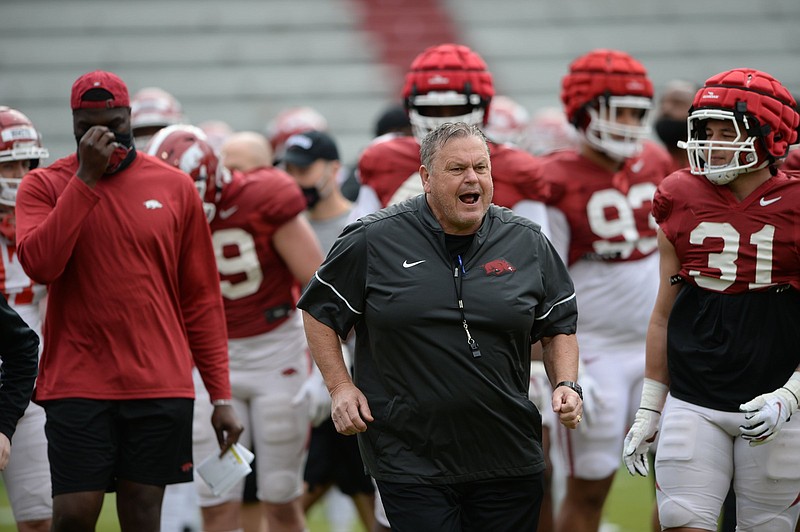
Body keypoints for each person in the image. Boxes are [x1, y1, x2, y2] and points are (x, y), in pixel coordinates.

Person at [298, 121, 583, 531]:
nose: (473, 179)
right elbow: (319, 310)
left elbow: (558, 325)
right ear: (426, 179)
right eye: (457, 169)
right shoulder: (373, 239)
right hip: (410, 455)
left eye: (481, 168)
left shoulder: (527, 241)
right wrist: (341, 386)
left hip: (507, 453)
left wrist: (566, 384)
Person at [14, 70, 243, 532]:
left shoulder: (175, 186)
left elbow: (200, 299)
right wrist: (85, 179)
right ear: (74, 123)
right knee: (74, 516)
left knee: (142, 516)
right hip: (76, 383)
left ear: (130, 117)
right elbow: (41, 265)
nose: (102, 136)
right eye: (88, 126)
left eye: (114, 123)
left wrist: (220, 395)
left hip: (158, 383)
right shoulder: (43, 185)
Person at [623, 68, 800, 532]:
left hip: (776, 396)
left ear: (770, 136)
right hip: (693, 396)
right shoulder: (680, 195)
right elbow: (664, 313)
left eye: (729, 131)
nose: (714, 143)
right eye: (706, 131)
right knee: (681, 522)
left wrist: (791, 394)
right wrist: (649, 406)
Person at [146, 124, 324, 532]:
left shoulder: (263, 194)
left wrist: (329, 365)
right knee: (215, 499)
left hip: (275, 350)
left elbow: (318, 282)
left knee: (281, 494)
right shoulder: (158, 208)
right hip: (208, 358)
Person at [540, 49, 672, 532]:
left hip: (659, 346)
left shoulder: (655, 160)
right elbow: (541, 285)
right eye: (620, 110)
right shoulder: (554, 178)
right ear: (585, 110)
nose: (631, 123)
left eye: (639, 112)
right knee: (590, 487)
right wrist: (553, 364)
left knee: (681, 481)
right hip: (593, 353)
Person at [282, 129, 376, 531]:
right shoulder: (286, 226)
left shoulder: (363, 224)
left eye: (303, 169)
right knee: (290, 492)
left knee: (373, 491)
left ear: (334, 169)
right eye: (288, 168)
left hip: (354, 376)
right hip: (297, 374)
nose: (294, 178)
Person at [354, 42, 550, 236]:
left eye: (457, 108)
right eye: (432, 109)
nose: (445, 120)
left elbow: (537, 251)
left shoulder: (516, 168)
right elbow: (357, 246)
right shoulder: (384, 158)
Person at [0, 106, 51, 531]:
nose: (19, 174)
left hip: (30, 384)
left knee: (40, 518)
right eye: (8, 164)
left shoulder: (44, 221)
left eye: (26, 163)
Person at [653, 79, 697, 173]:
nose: (666, 109)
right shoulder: (644, 164)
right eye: (662, 102)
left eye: (678, 103)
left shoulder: (709, 167)